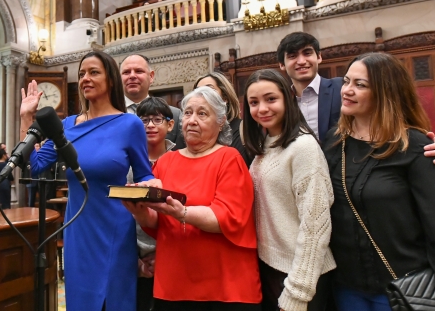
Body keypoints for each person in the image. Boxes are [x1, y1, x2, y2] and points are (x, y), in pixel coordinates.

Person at [322, 52, 435, 311]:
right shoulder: (334, 143)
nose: (347, 90)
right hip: (347, 286)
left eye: (360, 85)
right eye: (346, 81)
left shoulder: (415, 146)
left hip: (403, 286)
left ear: (385, 92)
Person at [21, 51, 154, 311]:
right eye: (82, 74)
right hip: (78, 230)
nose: (85, 79)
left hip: (116, 228)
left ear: (111, 80)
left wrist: (150, 186)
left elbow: (144, 175)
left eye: (94, 72)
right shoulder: (67, 126)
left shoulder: (130, 124)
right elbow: (35, 165)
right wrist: (27, 117)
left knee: (114, 302)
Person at [124, 86, 262, 311]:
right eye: (187, 113)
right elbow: (157, 222)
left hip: (224, 286)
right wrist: (140, 211)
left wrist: (182, 213)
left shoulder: (229, 158)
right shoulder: (167, 162)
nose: (192, 120)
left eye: (202, 114)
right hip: (173, 283)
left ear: (220, 122)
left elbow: (228, 217)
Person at [276, 32, 435, 169]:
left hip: (351, 174)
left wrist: (429, 146)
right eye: (292, 56)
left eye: (307, 53)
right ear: (282, 65)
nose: (301, 61)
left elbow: (394, 120)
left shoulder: (344, 90)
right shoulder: (279, 104)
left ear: (319, 57)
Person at [243, 69, 335, 311]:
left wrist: (298, 291)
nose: (262, 108)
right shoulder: (266, 145)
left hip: (302, 273)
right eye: (254, 102)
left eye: (270, 99)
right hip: (272, 267)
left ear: (287, 98)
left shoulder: (302, 146)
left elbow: (315, 225)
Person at [132, 97, 178, 311]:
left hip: (173, 252)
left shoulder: (180, 159)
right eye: (144, 120)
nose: (150, 125)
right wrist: (135, 261)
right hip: (133, 253)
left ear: (170, 125)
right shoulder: (127, 160)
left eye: (157, 119)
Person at [121, 54, 183, 148]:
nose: (132, 76)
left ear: (151, 76)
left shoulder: (175, 115)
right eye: (126, 72)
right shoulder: (108, 116)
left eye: (139, 71)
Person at [193, 72, 253, 166]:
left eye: (209, 90)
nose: (202, 95)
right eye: (198, 92)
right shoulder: (194, 132)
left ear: (225, 98)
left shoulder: (244, 129)